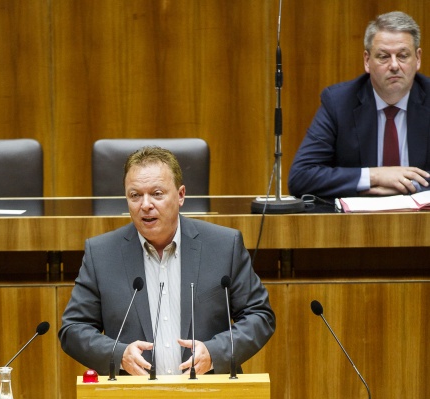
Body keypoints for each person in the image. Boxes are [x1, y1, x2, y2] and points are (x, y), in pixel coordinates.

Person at [59, 146, 275, 377]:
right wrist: (118, 355)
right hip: (133, 395)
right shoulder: (101, 254)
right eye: (135, 195)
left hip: (208, 392)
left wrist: (215, 353)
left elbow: (259, 315)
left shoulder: (224, 246)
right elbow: (73, 329)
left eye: (157, 193)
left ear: (180, 195)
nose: (145, 205)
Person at [288, 11, 430, 199]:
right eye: (383, 56)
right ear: (367, 61)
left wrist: (409, 185)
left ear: (418, 58)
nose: (394, 65)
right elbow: (301, 177)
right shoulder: (339, 103)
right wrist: (374, 176)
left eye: (403, 56)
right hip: (359, 216)